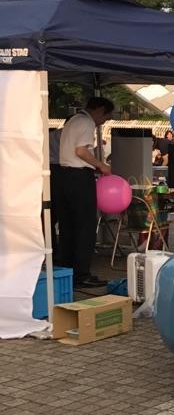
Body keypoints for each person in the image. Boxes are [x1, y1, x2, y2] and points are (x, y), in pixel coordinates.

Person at [54, 96, 114, 288]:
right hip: (79, 177)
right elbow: (81, 151)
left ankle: (65, 272)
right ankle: (81, 274)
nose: (103, 121)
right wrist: (101, 165)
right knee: (84, 227)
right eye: (105, 117)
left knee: (67, 227)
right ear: (100, 110)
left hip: (62, 176)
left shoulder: (72, 120)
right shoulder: (87, 122)